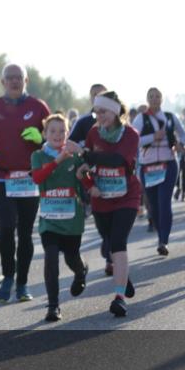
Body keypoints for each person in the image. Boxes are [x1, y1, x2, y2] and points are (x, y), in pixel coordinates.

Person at [0, 63, 50, 303]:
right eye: (9, 78)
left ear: (26, 80)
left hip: (29, 178)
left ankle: (22, 283)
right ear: (2, 82)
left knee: (25, 233)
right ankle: (8, 276)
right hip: (3, 177)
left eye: (18, 77)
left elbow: (54, 140)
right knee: (6, 228)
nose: (14, 81)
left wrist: (41, 140)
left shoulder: (38, 107)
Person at [70, 91, 140, 317]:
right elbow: (84, 167)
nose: (99, 116)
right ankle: (124, 276)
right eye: (97, 111)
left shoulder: (130, 134)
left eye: (104, 111)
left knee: (118, 242)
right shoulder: (92, 133)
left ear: (117, 110)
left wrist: (85, 153)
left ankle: (119, 298)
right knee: (110, 244)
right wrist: (90, 186)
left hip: (126, 196)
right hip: (101, 199)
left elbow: (118, 159)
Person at [31, 114, 89, 322]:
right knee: (51, 258)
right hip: (49, 220)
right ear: (45, 134)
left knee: (71, 256)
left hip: (72, 219)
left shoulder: (75, 156)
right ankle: (53, 306)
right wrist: (58, 160)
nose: (57, 135)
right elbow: (37, 178)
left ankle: (81, 271)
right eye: (52, 131)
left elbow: (87, 179)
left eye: (61, 131)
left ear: (67, 134)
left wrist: (85, 168)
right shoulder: (38, 156)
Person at [131, 88, 185, 256]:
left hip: (168, 163)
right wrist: (153, 137)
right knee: (153, 206)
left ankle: (163, 240)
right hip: (148, 166)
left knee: (164, 202)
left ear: (162, 99)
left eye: (157, 96)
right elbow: (133, 141)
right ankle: (158, 229)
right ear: (147, 99)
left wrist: (181, 145)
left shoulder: (170, 117)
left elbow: (184, 134)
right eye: (151, 96)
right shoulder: (141, 118)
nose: (154, 99)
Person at [70, 83, 115, 275]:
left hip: (115, 177)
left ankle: (111, 257)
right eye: (94, 96)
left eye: (101, 95)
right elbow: (70, 143)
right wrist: (83, 151)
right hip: (93, 177)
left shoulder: (116, 120)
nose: (98, 99)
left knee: (116, 219)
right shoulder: (83, 122)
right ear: (91, 100)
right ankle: (108, 249)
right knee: (102, 220)